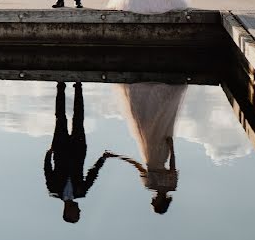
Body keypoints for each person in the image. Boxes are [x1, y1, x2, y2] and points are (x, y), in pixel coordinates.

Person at [106, 82, 187, 214]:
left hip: (148, 150)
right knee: (158, 119)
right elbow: (172, 166)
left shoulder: (150, 185)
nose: (151, 201)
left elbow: (137, 165)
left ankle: (146, 92)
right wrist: (172, 147)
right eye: (154, 204)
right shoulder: (170, 186)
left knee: (142, 118)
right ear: (160, 203)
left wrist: (117, 156)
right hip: (161, 152)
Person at [44, 82, 112, 223]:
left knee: (61, 118)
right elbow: (93, 174)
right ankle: (78, 87)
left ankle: (61, 86)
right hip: (78, 150)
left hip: (60, 149)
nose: (80, 210)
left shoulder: (54, 190)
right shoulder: (81, 192)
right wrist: (103, 158)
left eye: (77, 214)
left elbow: (47, 171)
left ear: (67, 212)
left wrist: (48, 153)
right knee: (78, 119)